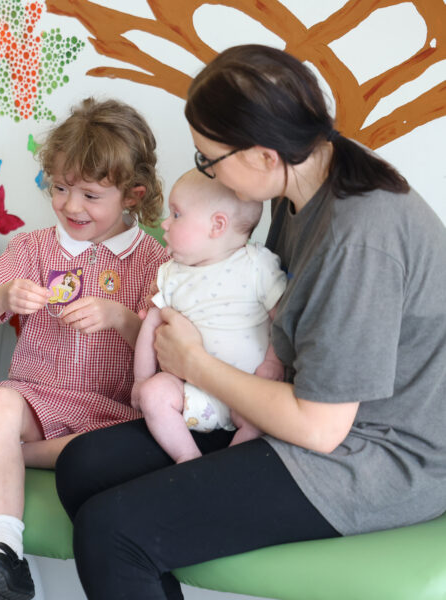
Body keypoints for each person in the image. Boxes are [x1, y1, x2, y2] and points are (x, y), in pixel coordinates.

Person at [54, 44, 446, 600]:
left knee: (111, 531)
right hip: (297, 413)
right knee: (83, 466)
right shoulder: (303, 189)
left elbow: (320, 427)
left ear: (264, 155)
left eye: (209, 160)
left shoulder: (359, 239)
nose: (208, 174)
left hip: (371, 458)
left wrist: (194, 364)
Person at [0, 98, 168, 600]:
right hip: (40, 397)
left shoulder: (155, 263)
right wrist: (2, 297)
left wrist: (119, 317)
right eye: (61, 188)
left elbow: (160, 353)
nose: (72, 206)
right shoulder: (31, 247)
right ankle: (6, 547)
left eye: (91, 195)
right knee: (4, 400)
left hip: (111, 410)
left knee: (97, 456)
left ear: (133, 195)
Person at [132, 169, 287, 463]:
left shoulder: (257, 265)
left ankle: (225, 467)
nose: (165, 223)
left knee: (263, 416)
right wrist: (141, 380)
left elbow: (281, 318)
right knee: (155, 394)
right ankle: (187, 456)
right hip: (189, 392)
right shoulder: (170, 274)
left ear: (217, 225)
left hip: (246, 388)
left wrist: (272, 361)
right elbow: (152, 322)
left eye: (176, 215)